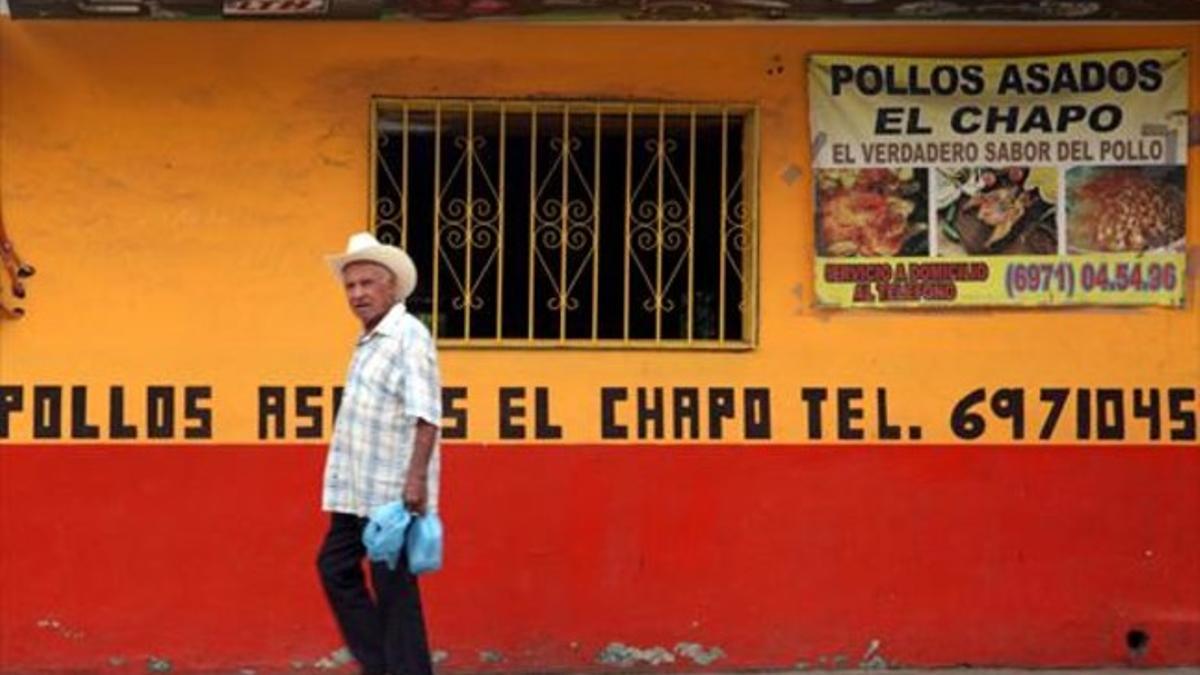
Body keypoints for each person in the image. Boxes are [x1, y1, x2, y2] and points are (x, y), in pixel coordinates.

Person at [317, 231, 441, 675]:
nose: (357, 294)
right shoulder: (369, 339)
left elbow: (426, 412)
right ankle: (384, 665)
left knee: (396, 595)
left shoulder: (408, 334)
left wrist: (414, 481)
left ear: (391, 287)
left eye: (367, 283)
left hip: (391, 494)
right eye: (351, 286)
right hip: (354, 491)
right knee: (334, 567)